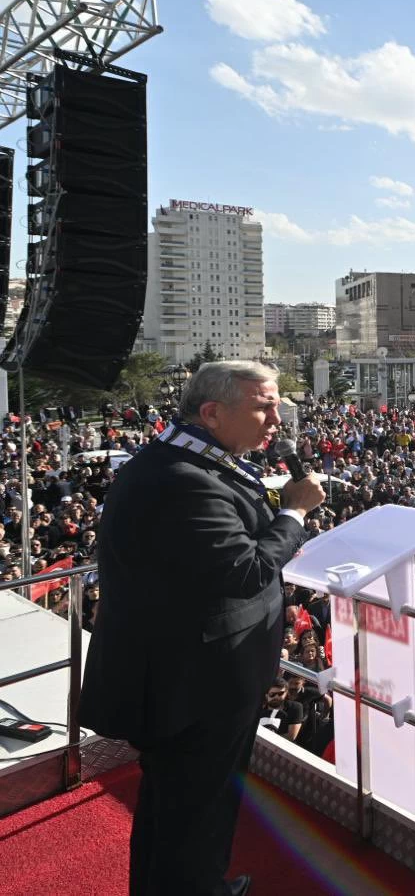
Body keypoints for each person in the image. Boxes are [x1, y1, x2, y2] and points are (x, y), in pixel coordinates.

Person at [80, 361, 324, 896]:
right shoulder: (181, 479)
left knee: (176, 810)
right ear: (211, 413)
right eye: (264, 406)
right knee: (196, 809)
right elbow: (248, 570)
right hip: (193, 685)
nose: (277, 419)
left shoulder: (189, 460)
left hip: (192, 673)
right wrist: (296, 514)